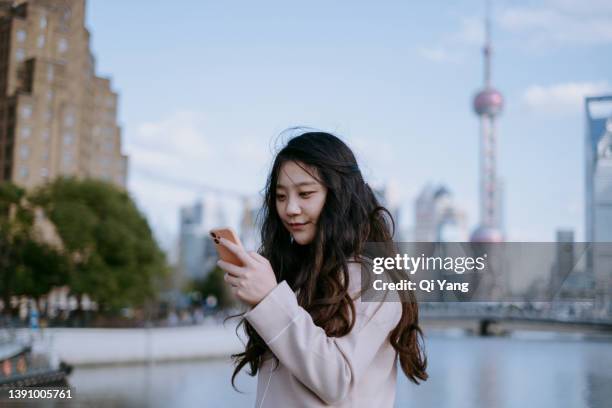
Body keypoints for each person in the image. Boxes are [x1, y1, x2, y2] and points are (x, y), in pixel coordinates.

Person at [217, 130, 427, 407]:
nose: (290, 208)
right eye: (280, 196)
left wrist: (270, 298)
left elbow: (335, 380)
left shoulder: (375, 281)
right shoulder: (297, 273)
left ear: (339, 196)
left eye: (305, 194)